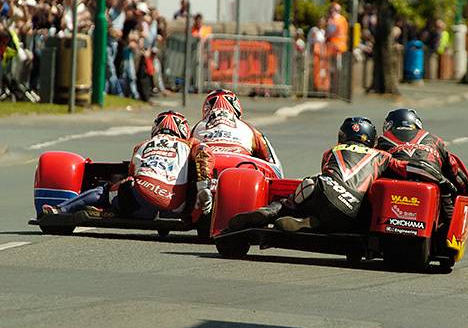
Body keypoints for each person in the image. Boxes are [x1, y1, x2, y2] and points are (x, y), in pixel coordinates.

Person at [229, 117, 406, 233]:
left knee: (310, 185)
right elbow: (403, 169)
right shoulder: (383, 156)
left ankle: (271, 212)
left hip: (322, 192)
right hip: (351, 214)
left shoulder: (331, 151)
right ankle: (311, 222)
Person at [42, 111, 215, 219]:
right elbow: (205, 153)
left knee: (107, 189)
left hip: (140, 201)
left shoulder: (142, 146)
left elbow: (132, 172)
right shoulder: (190, 144)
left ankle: (60, 211)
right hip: (175, 206)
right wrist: (203, 187)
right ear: (183, 131)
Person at [376, 108, 468, 252]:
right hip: (431, 180)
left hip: (394, 182)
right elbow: (452, 169)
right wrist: (462, 189)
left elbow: (371, 163)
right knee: (447, 194)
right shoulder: (434, 139)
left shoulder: (381, 140)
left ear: (388, 125)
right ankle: (448, 240)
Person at [190, 89, 282, 170]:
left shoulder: (197, 127)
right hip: (239, 168)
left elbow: (184, 152)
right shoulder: (249, 129)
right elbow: (272, 163)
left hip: (207, 167)